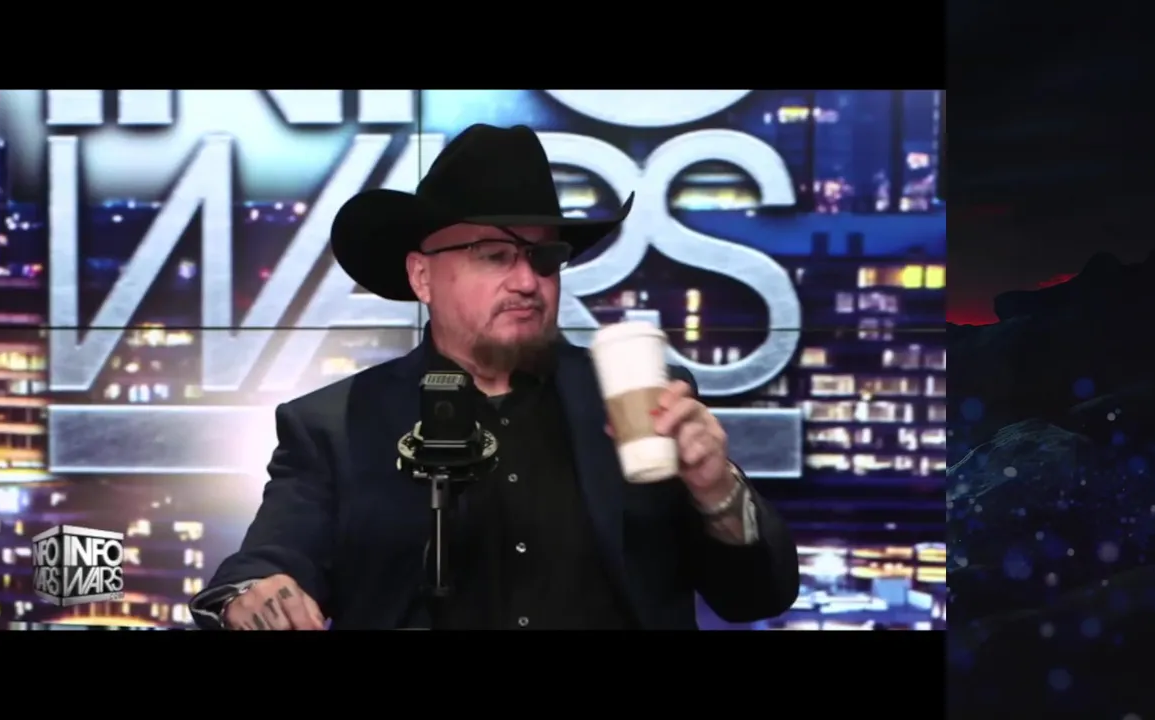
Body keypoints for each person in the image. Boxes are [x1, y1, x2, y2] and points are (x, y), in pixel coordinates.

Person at [189, 124, 799, 630]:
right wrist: (254, 596)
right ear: (422, 277)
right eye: (494, 255)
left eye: (544, 258)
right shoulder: (332, 426)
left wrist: (718, 495)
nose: (528, 281)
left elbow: (758, 597)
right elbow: (261, 568)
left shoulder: (642, 401)